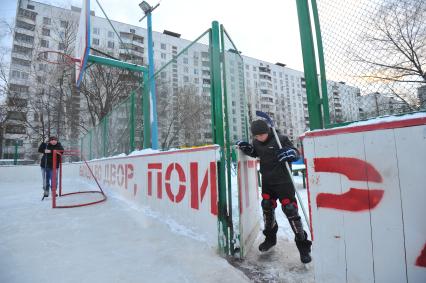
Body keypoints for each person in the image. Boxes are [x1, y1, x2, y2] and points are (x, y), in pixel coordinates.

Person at [236, 119, 312, 264]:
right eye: (256, 136)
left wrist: (290, 152)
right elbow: (255, 152)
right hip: (267, 181)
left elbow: (295, 153)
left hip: (284, 181)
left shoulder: (280, 139)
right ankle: (270, 239)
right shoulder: (257, 142)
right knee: (267, 206)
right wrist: (248, 149)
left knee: (290, 209)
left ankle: (303, 246)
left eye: (262, 135)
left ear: (268, 131)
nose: (259, 138)